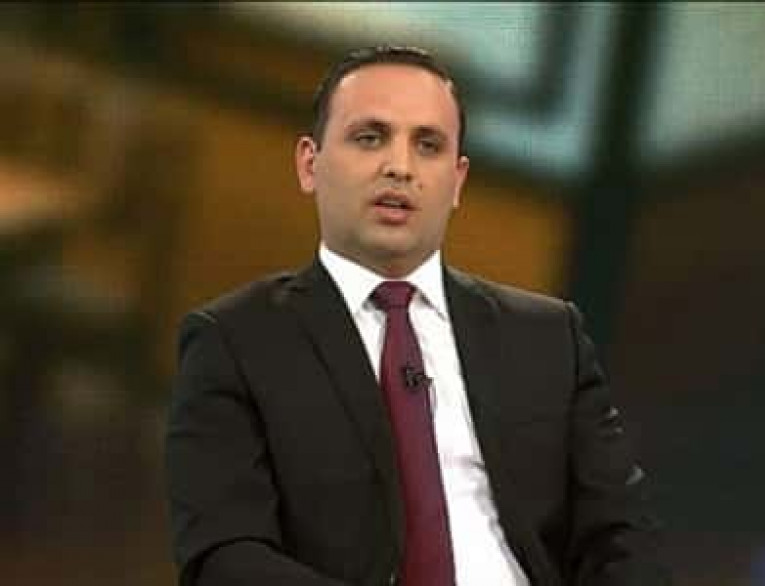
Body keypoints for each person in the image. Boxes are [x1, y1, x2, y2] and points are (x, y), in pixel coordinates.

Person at [165, 45, 669, 586]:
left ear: (457, 181)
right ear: (309, 164)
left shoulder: (549, 337)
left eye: (428, 146)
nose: (400, 167)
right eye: (370, 137)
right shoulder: (236, 341)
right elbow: (225, 556)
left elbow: (622, 536)